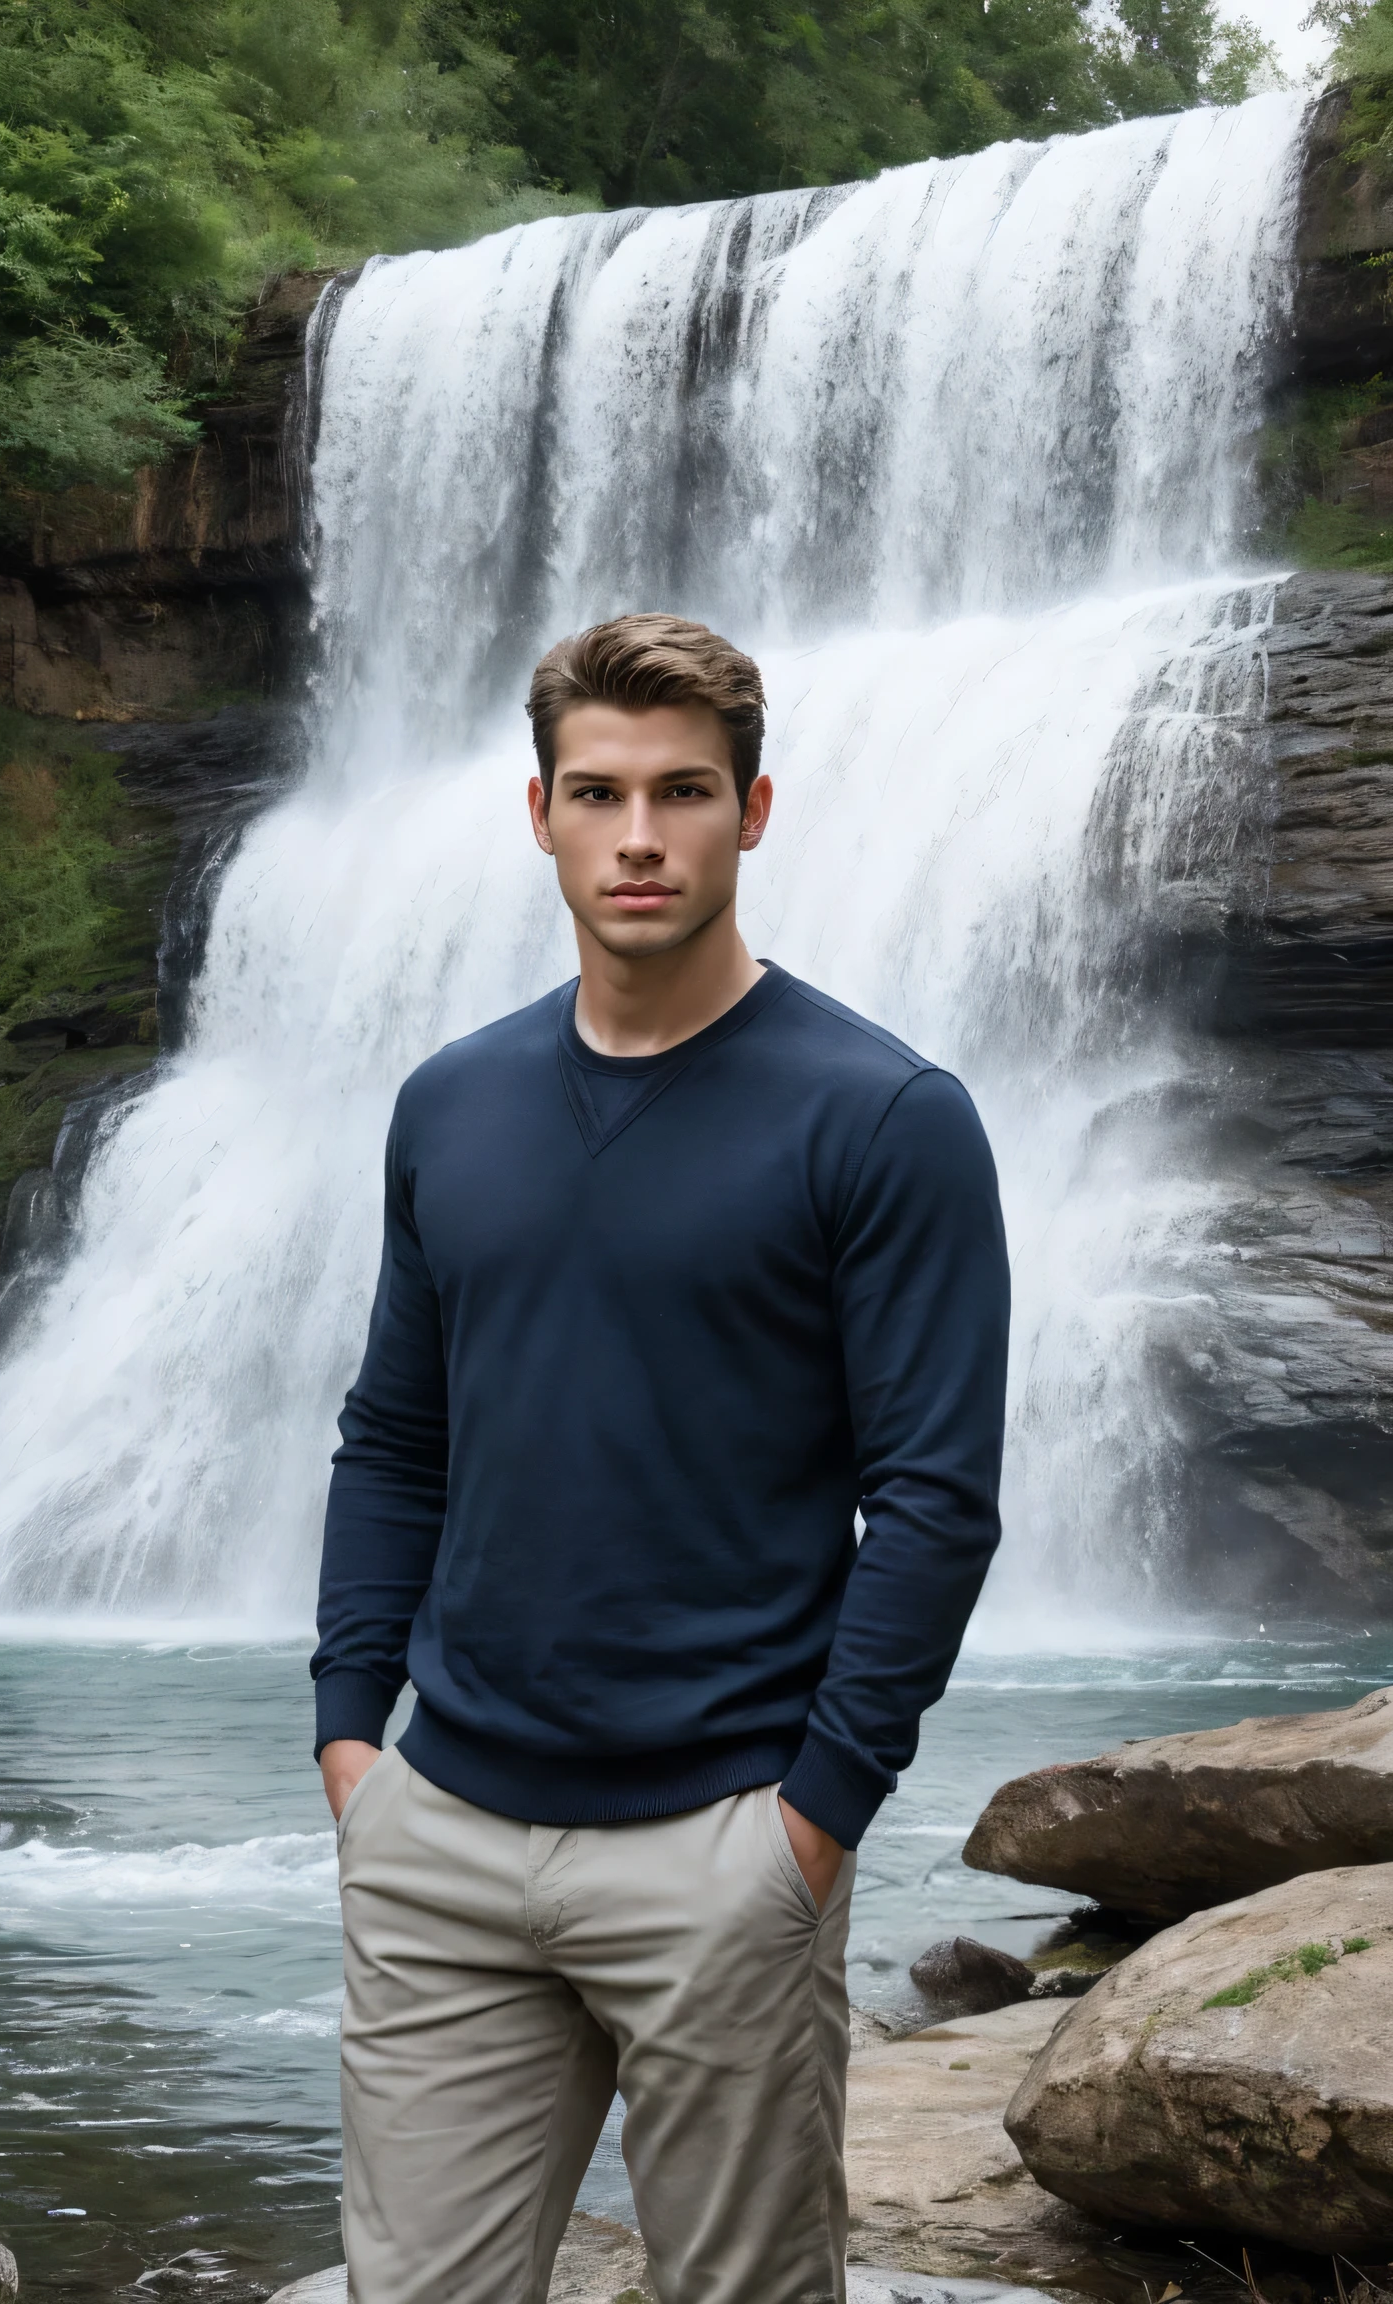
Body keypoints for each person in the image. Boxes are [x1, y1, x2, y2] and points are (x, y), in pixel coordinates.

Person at [311, 612, 1011, 2304]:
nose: (641, 836)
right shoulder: (450, 1102)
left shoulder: (884, 1116)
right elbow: (397, 1433)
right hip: (444, 1836)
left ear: (753, 812)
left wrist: (817, 1819)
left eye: (685, 792)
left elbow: (933, 1498)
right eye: (601, 792)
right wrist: (351, 1738)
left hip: (726, 1843)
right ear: (537, 812)